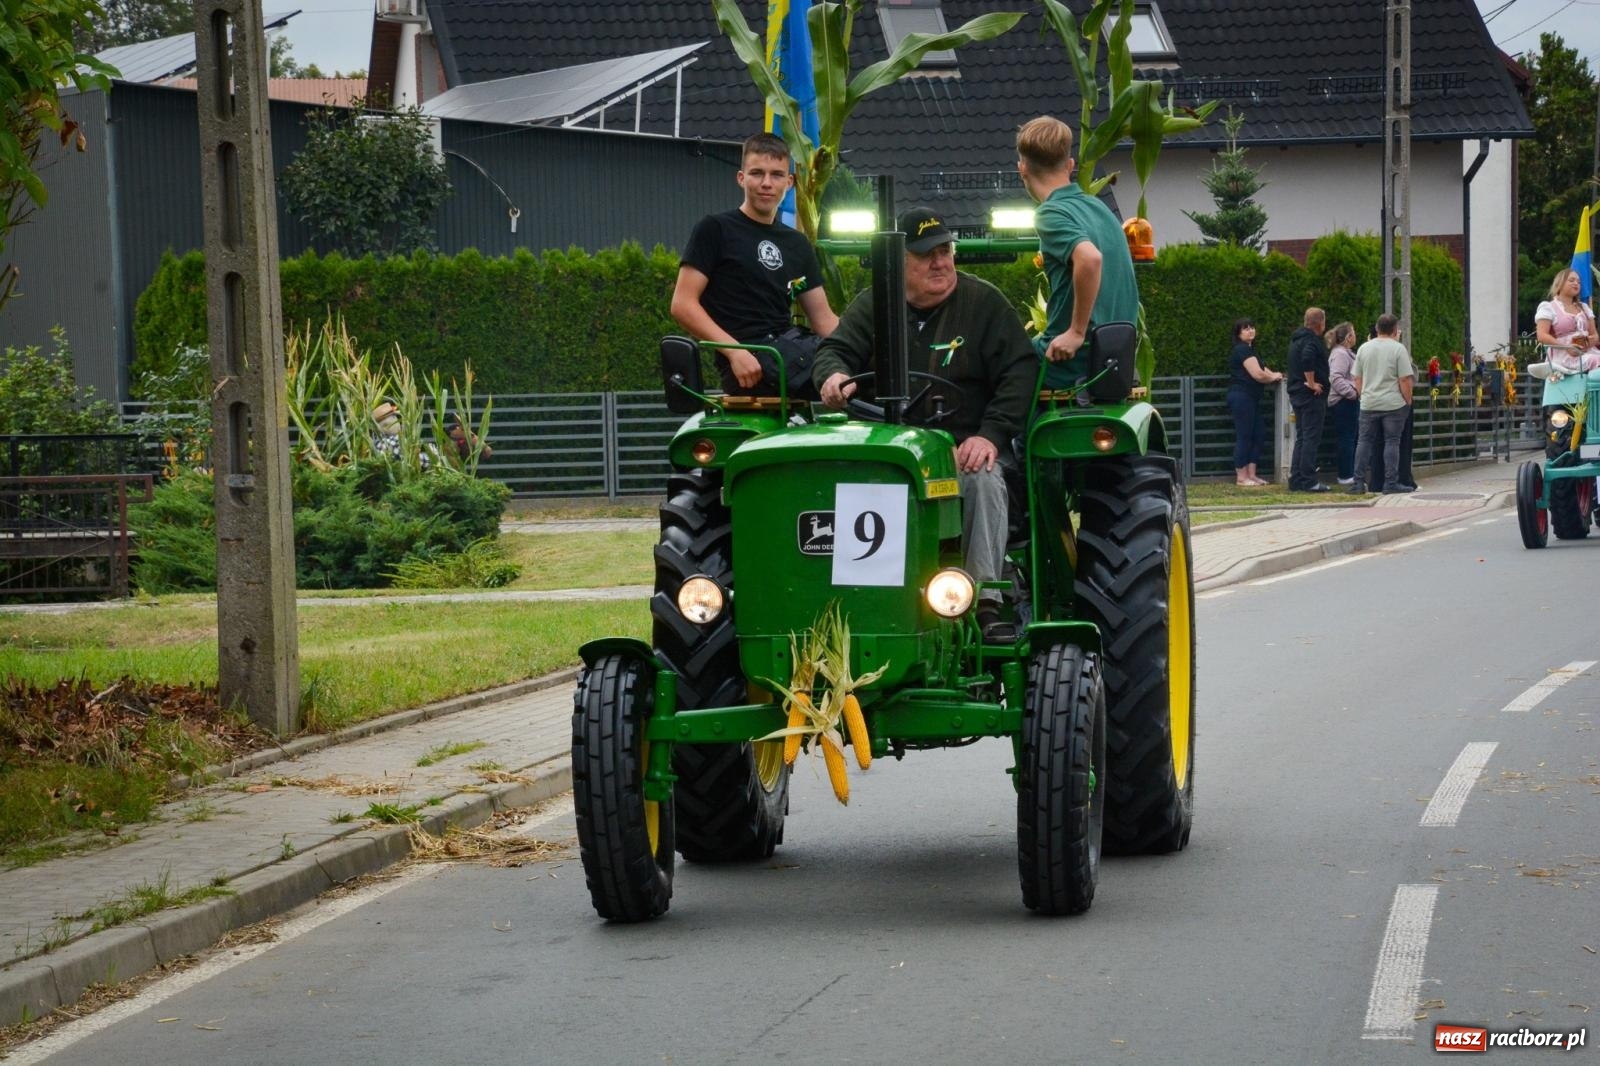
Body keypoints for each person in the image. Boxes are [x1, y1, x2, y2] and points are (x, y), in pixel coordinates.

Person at [812, 207, 1035, 639]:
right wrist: (833, 376)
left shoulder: (983, 304)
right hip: (890, 450)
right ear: (899, 264)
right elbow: (832, 351)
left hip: (961, 450)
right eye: (926, 254)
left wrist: (989, 436)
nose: (940, 262)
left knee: (984, 480)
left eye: (945, 251)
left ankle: (985, 600)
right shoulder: (875, 306)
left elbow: (1021, 371)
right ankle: (850, 605)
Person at [671, 132, 838, 399]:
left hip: (791, 349)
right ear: (741, 178)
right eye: (757, 173)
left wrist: (868, 346)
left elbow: (824, 320)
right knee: (851, 381)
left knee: (865, 372)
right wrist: (736, 352)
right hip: (748, 364)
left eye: (776, 175)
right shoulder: (715, 229)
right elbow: (682, 304)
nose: (766, 184)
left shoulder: (798, 244)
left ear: (790, 182)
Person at [1014, 115, 1140, 387]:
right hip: (1115, 359)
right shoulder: (1100, 209)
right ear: (1070, 166)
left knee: (987, 362)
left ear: (1022, 169)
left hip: (1072, 363)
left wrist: (1075, 332)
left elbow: (1090, 258)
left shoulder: (1050, 213)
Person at [1348, 312, 1416, 494]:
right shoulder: (1398, 349)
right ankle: (1390, 483)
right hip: (1393, 404)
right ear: (1395, 330)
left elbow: (1357, 377)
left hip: (1369, 403)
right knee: (1392, 442)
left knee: (1364, 442)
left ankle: (1358, 483)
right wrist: (1407, 401)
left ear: (1377, 329)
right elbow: (1404, 379)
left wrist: (1363, 396)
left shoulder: (1364, 348)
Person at [1225, 318, 1284, 486]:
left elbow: (1263, 368)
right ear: (1238, 334)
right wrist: (1274, 377)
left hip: (1251, 398)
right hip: (1241, 397)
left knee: (1258, 434)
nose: (1250, 330)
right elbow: (1258, 374)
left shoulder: (1251, 351)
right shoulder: (1241, 349)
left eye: (1252, 327)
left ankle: (1252, 474)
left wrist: (1276, 374)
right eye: (1245, 329)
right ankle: (1241, 477)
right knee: (1244, 435)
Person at [1286, 307, 1331, 492]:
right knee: (1311, 438)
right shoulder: (1311, 341)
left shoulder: (1296, 340)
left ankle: (1296, 478)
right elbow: (1307, 359)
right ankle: (1308, 480)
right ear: (1320, 323)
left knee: (1302, 437)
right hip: (1311, 396)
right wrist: (1312, 383)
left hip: (1296, 394)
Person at [1530, 267, 1600, 378]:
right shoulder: (1548, 307)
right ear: (1560, 283)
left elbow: (1595, 335)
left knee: (1595, 358)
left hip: (1587, 351)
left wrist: (1585, 344)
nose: (1576, 283)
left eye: (1578, 282)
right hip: (1563, 355)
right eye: (1571, 280)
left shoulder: (1584, 307)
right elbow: (1542, 336)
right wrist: (1567, 347)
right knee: (1596, 360)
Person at [1325, 321, 1360, 485]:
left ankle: (1349, 472)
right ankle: (1345, 474)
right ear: (1348, 337)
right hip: (1343, 401)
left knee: (1351, 437)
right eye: (1353, 333)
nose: (1355, 336)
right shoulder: (1340, 354)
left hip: (1348, 400)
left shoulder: (1346, 353)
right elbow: (1336, 377)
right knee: (1346, 438)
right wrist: (1352, 393)